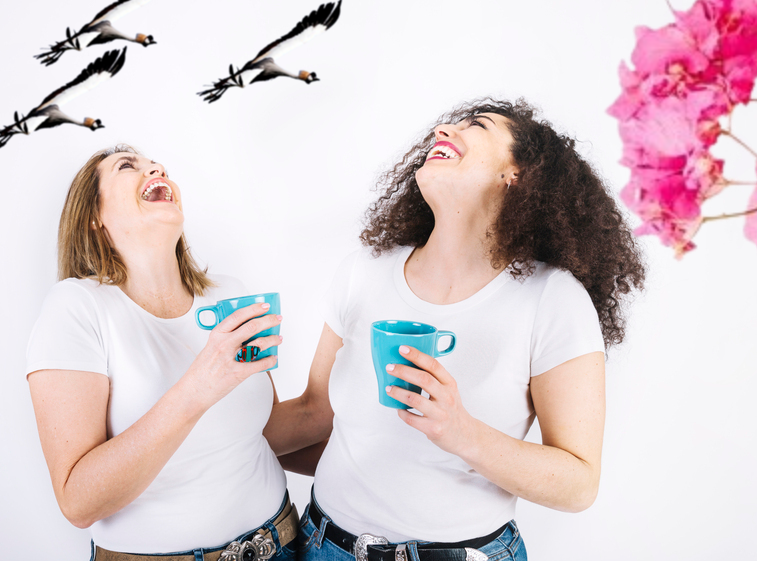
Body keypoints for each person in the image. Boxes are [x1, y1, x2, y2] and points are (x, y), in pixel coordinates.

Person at [268, 98, 646, 560]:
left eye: (478, 125)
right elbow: (314, 413)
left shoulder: (552, 298)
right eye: (451, 123)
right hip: (325, 546)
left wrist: (459, 431)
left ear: (516, 173)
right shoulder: (363, 271)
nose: (446, 128)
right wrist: (212, 437)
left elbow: (578, 484)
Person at [25, 145, 298, 561]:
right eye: (127, 165)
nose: (155, 166)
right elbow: (77, 502)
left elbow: (267, 430)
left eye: (156, 164)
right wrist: (200, 385)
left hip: (281, 541)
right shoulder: (76, 307)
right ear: (93, 215)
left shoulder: (231, 294)